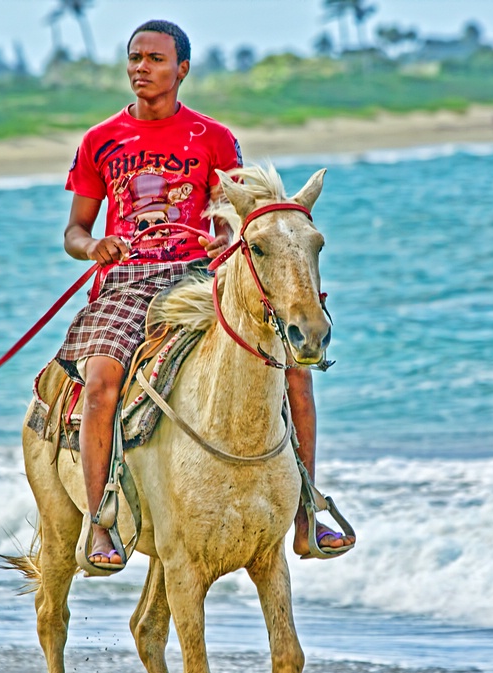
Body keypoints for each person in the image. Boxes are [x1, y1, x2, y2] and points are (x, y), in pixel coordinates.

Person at [57, 19, 354, 573]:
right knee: (100, 383)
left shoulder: (213, 138)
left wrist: (223, 238)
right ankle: (101, 522)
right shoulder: (100, 140)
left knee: (294, 368)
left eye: (154, 59)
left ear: (182, 69)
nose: (140, 67)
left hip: (200, 277)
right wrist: (94, 244)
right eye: (134, 57)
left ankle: (307, 511)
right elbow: (73, 232)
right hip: (125, 283)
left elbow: (236, 213)